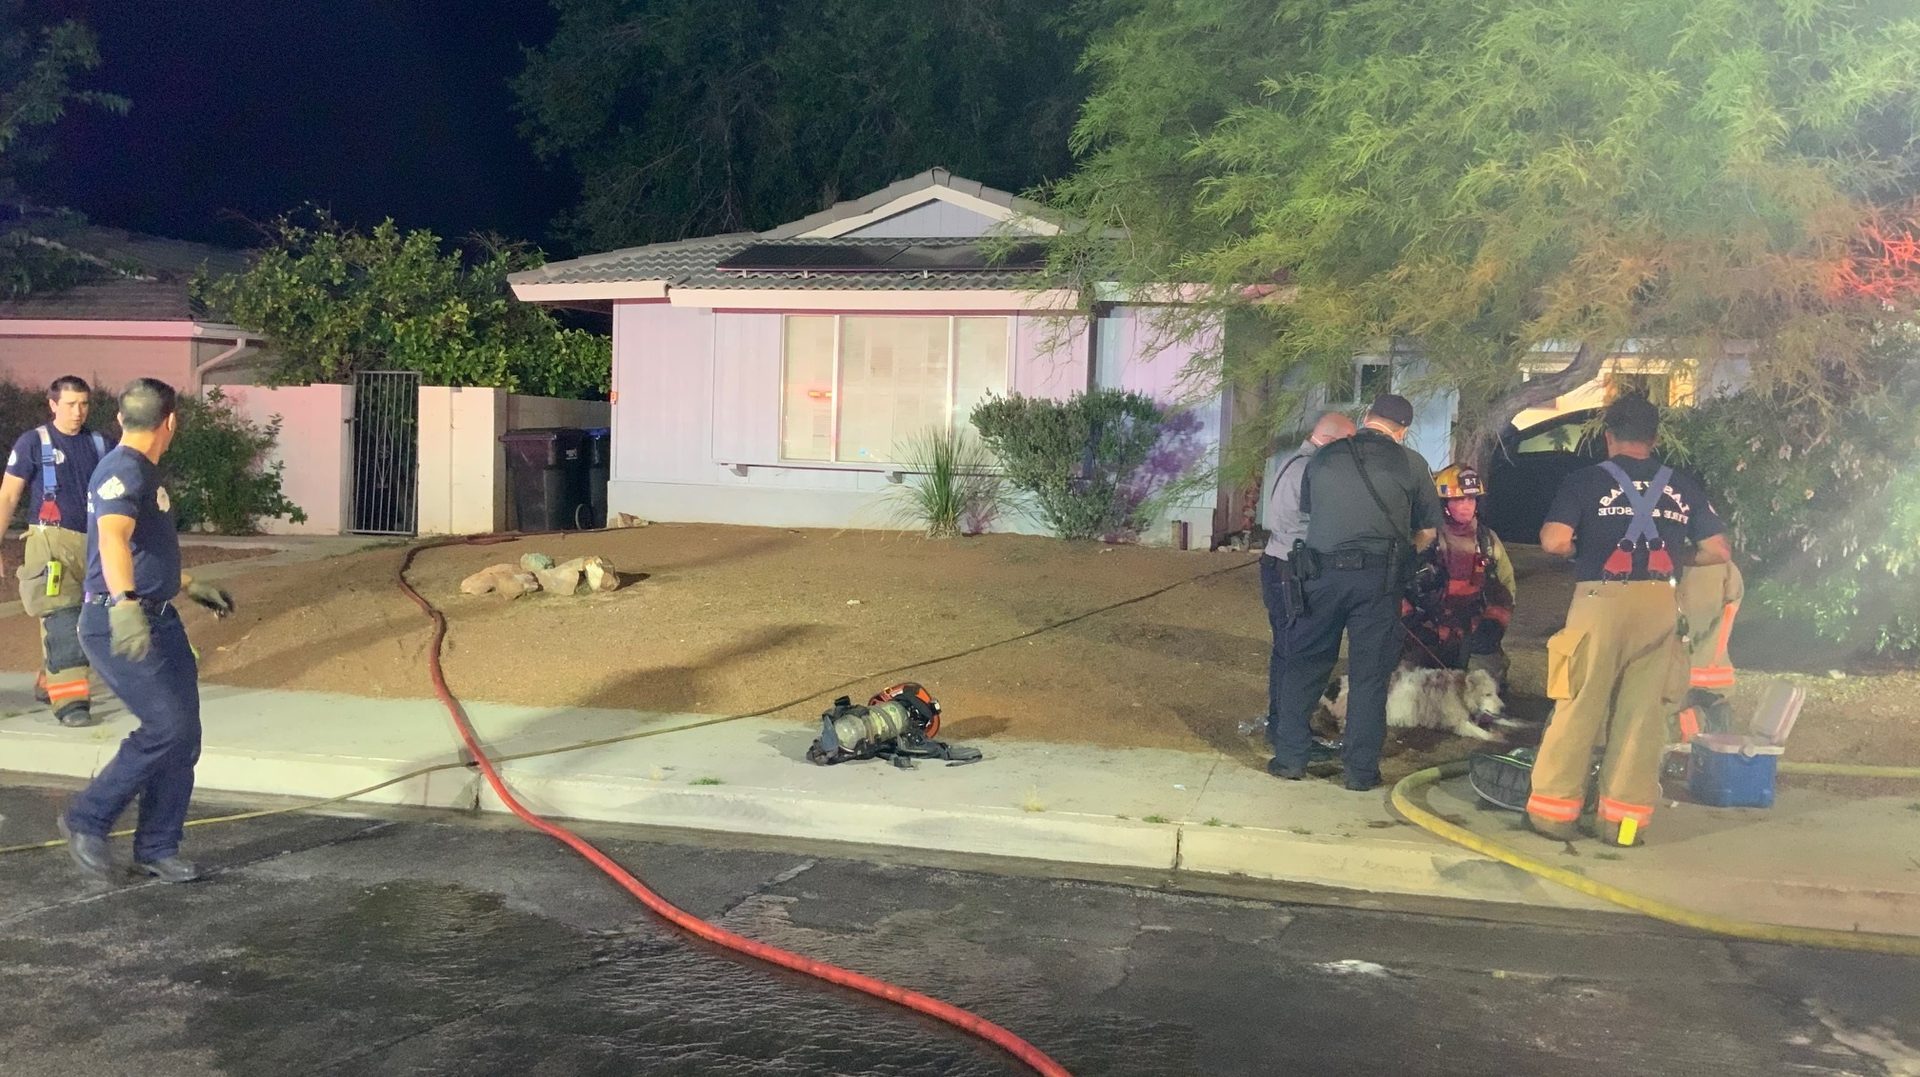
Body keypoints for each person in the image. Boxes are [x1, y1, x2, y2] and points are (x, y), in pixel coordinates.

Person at [1530, 395, 1730, 846]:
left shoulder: (1584, 481)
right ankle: (1622, 824)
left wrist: (1585, 549)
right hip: (1660, 604)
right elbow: (1718, 550)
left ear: (1608, 436)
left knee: (1579, 704)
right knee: (1643, 717)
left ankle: (1553, 815)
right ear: (1655, 439)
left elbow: (1555, 540)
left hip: (1600, 601)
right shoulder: (1683, 485)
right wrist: (1677, 558)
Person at [57, 379, 235, 884]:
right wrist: (125, 606)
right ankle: (87, 818)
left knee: (184, 737)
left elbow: (138, 549)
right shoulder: (121, 469)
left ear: (120, 418)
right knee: (165, 727)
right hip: (118, 621)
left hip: (158, 616)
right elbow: (111, 538)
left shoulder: (141, 470)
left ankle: (157, 846)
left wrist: (188, 582)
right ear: (171, 421)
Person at [1271, 393, 1442, 791]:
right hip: (1378, 582)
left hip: (1320, 575)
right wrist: (1403, 554)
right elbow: (1428, 532)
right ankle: (1360, 773)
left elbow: (1311, 511)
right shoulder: (1413, 465)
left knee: (1307, 663)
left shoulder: (1325, 457)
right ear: (1404, 430)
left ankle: (1290, 759)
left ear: (1367, 417)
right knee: (1368, 677)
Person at [0, 376, 110, 726]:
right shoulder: (33, 442)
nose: (78, 412)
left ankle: (51, 678)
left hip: (94, 545)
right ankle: (71, 703)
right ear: (52, 405)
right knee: (62, 619)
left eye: (84, 404)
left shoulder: (101, 444)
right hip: (50, 546)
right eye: (70, 404)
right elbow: (7, 496)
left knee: (91, 619)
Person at [1257, 412, 1356, 750]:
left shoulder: (1293, 463)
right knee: (1300, 654)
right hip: (1292, 568)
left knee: (1285, 652)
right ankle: (1289, 730)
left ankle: (1282, 724)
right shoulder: (1310, 470)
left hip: (1278, 563)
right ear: (1332, 441)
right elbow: (1311, 523)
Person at [1401, 465, 1516, 689]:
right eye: (1459, 500)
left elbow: (1505, 585)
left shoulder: (1487, 541)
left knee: (1485, 689)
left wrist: (1493, 623)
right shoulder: (1422, 537)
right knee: (1406, 690)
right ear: (1444, 504)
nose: (1467, 506)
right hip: (1424, 632)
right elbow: (1393, 582)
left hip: (1470, 631)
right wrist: (1408, 621)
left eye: (1471, 499)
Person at [1672, 560, 1745, 743]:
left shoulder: (1705, 572)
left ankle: (1709, 722)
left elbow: (1691, 628)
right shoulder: (1713, 569)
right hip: (1693, 682)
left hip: (1695, 686)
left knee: (1650, 731)